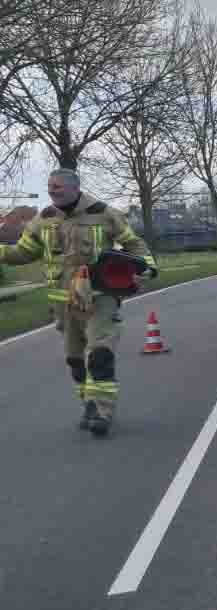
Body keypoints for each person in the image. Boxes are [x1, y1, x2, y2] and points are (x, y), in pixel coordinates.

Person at [0, 169, 155, 436]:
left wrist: (148, 268)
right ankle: (88, 404)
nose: (52, 190)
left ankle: (103, 411)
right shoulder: (43, 219)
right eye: (50, 186)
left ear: (75, 188)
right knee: (75, 359)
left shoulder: (104, 213)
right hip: (63, 303)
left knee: (100, 352)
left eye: (58, 186)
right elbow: (23, 252)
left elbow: (133, 243)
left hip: (100, 298)